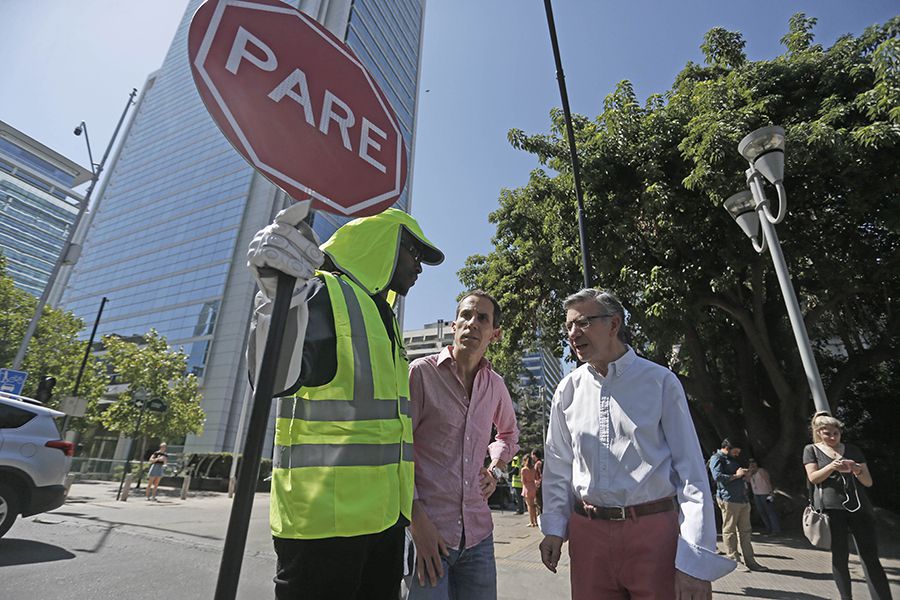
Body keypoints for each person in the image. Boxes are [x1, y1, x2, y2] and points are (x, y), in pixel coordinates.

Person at [247, 203, 444, 600]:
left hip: (384, 525)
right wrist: (274, 299)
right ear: (384, 243)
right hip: (321, 529)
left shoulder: (382, 317)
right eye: (414, 253)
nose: (418, 267)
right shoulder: (321, 291)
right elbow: (270, 380)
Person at [539, 288, 734, 600]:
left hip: (654, 532)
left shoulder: (660, 381)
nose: (573, 334)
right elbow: (558, 464)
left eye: (583, 323)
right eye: (569, 326)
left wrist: (695, 561)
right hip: (587, 535)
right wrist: (553, 527)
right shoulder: (568, 390)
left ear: (614, 324)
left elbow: (691, 473)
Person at [406, 290, 519, 600]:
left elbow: (509, 434)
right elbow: (398, 448)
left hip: (479, 539)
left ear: (495, 334)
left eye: (482, 318)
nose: (472, 323)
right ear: (454, 326)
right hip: (428, 535)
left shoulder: (495, 385)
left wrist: (495, 470)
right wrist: (417, 524)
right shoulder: (421, 373)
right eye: (466, 315)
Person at [803, 411, 892, 600]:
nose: (833, 437)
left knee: (870, 557)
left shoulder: (853, 450)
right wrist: (831, 466)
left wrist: (858, 470)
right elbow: (813, 478)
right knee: (840, 557)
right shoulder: (811, 450)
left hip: (859, 507)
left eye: (836, 433)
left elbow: (868, 482)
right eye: (828, 433)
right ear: (819, 432)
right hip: (831, 510)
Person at [708, 439, 767, 571]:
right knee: (730, 530)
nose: (738, 453)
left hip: (742, 499)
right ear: (729, 446)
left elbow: (737, 475)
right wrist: (736, 475)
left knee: (745, 531)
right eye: (736, 450)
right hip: (729, 499)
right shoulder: (717, 458)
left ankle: (750, 561)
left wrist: (745, 474)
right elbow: (717, 477)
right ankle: (733, 560)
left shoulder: (732, 459)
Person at [747, 458, 780, 534]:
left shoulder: (761, 471)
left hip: (765, 493)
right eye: (750, 463)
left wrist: (770, 492)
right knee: (761, 512)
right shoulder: (751, 473)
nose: (752, 464)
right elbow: (747, 480)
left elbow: (767, 481)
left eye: (753, 462)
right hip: (756, 494)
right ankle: (768, 528)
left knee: (770, 512)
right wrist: (750, 472)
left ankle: (776, 530)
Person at [521, 454, 538, 527]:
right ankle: (536, 521)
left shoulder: (523, 470)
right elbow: (536, 477)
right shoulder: (533, 469)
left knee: (529, 506)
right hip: (533, 487)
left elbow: (523, 480)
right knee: (534, 506)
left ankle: (531, 522)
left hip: (527, 488)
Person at [531, 448, 543, 515]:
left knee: (539, 503)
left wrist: (538, 482)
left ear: (535, 455)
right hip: (538, 485)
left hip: (539, 485)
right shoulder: (538, 463)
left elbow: (540, 474)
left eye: (532, 455)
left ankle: (541, 516)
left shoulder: (538, 463)